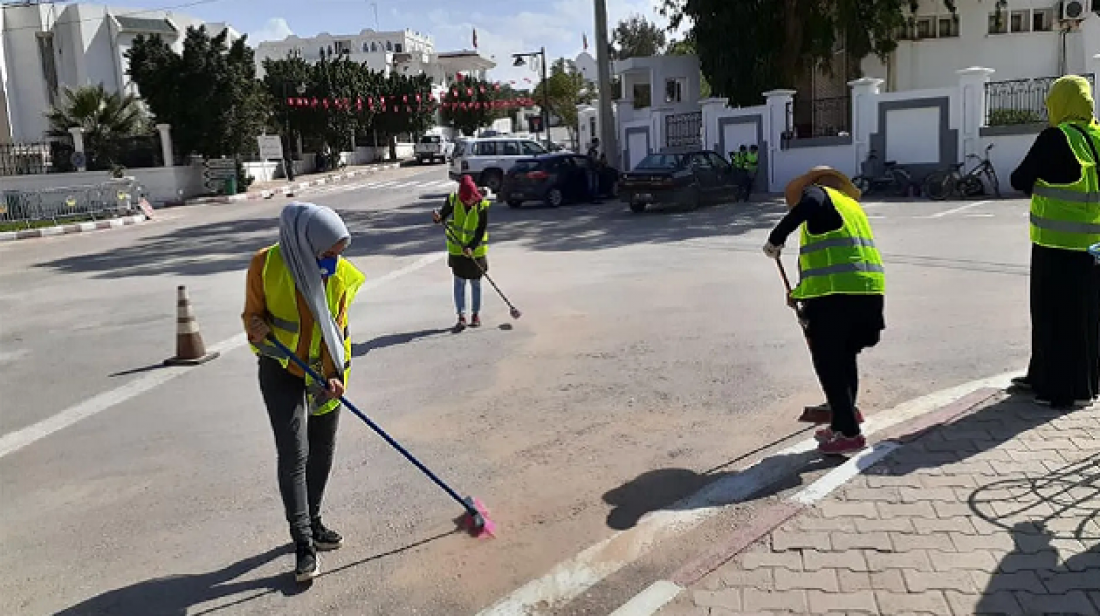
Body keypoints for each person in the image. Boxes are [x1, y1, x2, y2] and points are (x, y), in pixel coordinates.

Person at [243, 202, 366, 583]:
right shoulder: (265, 264)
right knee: (294, 453)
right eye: (328, 253)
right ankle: (303, 543)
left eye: (338, 253)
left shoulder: (340, 275)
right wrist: (256, 328)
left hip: (324, 374)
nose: (333, 260)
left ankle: (314, 519)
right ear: (305, 244)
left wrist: (336, 375)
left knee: (322, 449)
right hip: (280, 369)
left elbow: (339, 331)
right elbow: (252, 315)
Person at [763, 166, 886, 455]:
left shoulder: (818, 195)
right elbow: (833, 260)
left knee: (829, 363)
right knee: (845, 357)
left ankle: (849, 435)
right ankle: (845, 416)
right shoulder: (851, 208)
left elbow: (809, 204)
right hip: (868, 292)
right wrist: (799, 294)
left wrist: (776, 238)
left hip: (836, 298)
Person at [1009, 74, 1100, 409]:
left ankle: (1062, 390)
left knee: (1054, 318)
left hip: (1057, 245)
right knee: (1088, 318)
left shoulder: (1056, 138)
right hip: (1094, 248)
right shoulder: (1097, 135)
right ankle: (1084, 384)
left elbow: (1018, 179)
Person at [433, 176, 490, 329]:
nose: (472, 201)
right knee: (459, 283)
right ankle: (461, 316)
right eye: (469, 199)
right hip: (457, 252)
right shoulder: (453, 200)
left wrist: (471, 246)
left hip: (476, 252)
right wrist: (438, 217)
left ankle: (475, 314)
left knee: (476, 283)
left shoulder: (482, 205)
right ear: (462, 197)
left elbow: (480, 231)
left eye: (473, 198)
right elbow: (442, 216)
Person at [587, 138, 603, 204]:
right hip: (592, 170)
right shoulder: (592, 151)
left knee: (594, 185)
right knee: (593, 185)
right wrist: (600, 162)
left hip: (592, 169)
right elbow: (593, 160)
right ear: (594, 143)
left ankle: (593, 199)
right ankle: (593, 199)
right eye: (597, 142)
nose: (598, 144)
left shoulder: (592, 150)